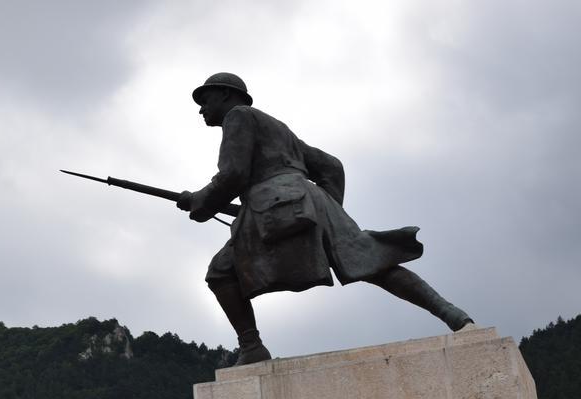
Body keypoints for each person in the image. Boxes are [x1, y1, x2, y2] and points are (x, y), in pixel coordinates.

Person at [177, 73, 473, 365]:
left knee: (220, 273)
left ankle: (251, 346)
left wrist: (200, 202)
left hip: (275, 205)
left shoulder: (238, 116)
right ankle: (450, 312)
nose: (201, 108)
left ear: (226, 94)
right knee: (372, 264)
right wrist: (330, 212)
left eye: (205, 99)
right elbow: (331, 166)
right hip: (312, 199)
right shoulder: (278, 129)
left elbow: (233, 175)